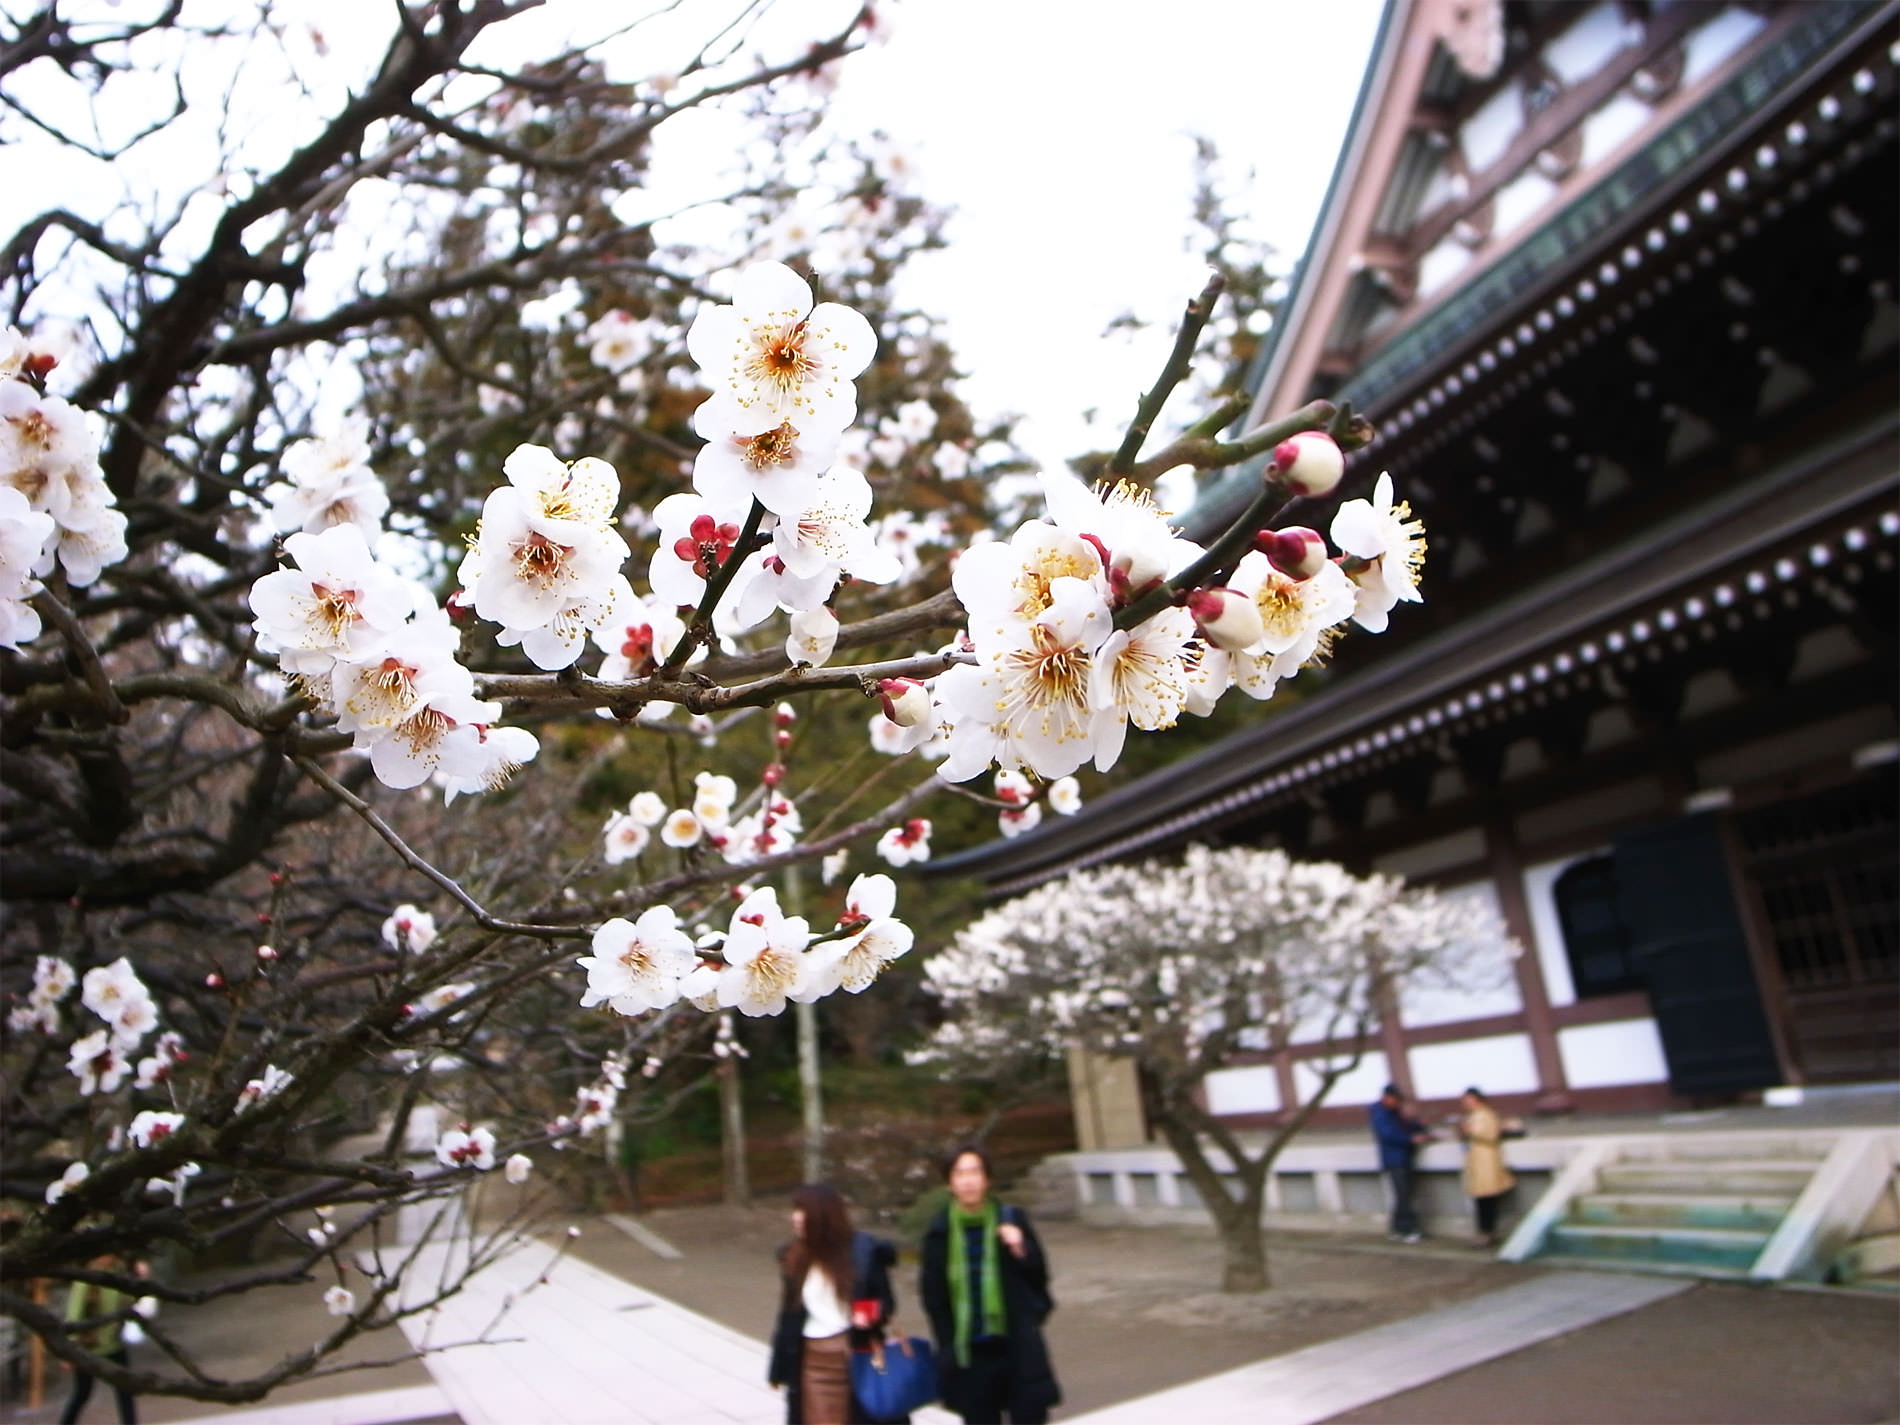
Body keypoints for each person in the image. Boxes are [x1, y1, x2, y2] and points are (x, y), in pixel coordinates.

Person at [919, 1145, 1060, 1425]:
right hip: (970, 1354)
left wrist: (1020, 1249)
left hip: (1016, 1346)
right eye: (959, 1173)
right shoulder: (939, 1232)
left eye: (975, 1172)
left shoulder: (1012, 1220)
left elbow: (1039, 1277)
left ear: (987, 1180)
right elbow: (933, 1296)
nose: (968, 1180)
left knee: (1030, 1416)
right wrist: (948, 1346)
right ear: (950, 1183)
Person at [768, 1183, 899, 1425]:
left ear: (824, 1216)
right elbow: (787, 1315)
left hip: (857, 1356)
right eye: (795, 1210)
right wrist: (778, 1368)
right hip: (812, 1361)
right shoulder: (794, 1257)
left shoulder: (864, 1252)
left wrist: (868, 1314)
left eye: (803, 1211)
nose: (796, 1218)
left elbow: (887, 1304)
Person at [61, 1255, 138, 1425]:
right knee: (82, 1393)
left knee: (125, 1390)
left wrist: (140, 1279)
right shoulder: (85, 1280)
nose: (107, 1259)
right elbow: (74, 1316)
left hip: (113, 1344)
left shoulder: (119, 1277)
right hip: (89, 1348)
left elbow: (130, 1303)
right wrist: (69, 1351)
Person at [1368, 1084, 1431, 1243]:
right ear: (1387, 1098)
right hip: (1395, 1159)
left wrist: (1419, 1126)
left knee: (1404, 1195)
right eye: (1396, 1100)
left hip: (1403, 1158)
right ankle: (1406, 1229)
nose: (1397, 1103)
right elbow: (1389, 1135)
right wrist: (1411, 1139)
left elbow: (1406, 1126)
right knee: (1403, 1195)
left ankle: (1398, 1229)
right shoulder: (1381, 1114)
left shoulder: (1393, 1113)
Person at [1458, 1086, 1518, 1247]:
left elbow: (1490, 1134)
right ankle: (1484, 1231)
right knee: (1481, 1198)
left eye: (1467, 1100)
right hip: (1477, 1161)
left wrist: (1470, 1130)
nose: (1465, 1103)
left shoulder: (1486, 1114)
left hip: (1486, 1161)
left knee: (1487, 1198)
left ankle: (1487, 1232)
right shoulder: (1474, 1115)